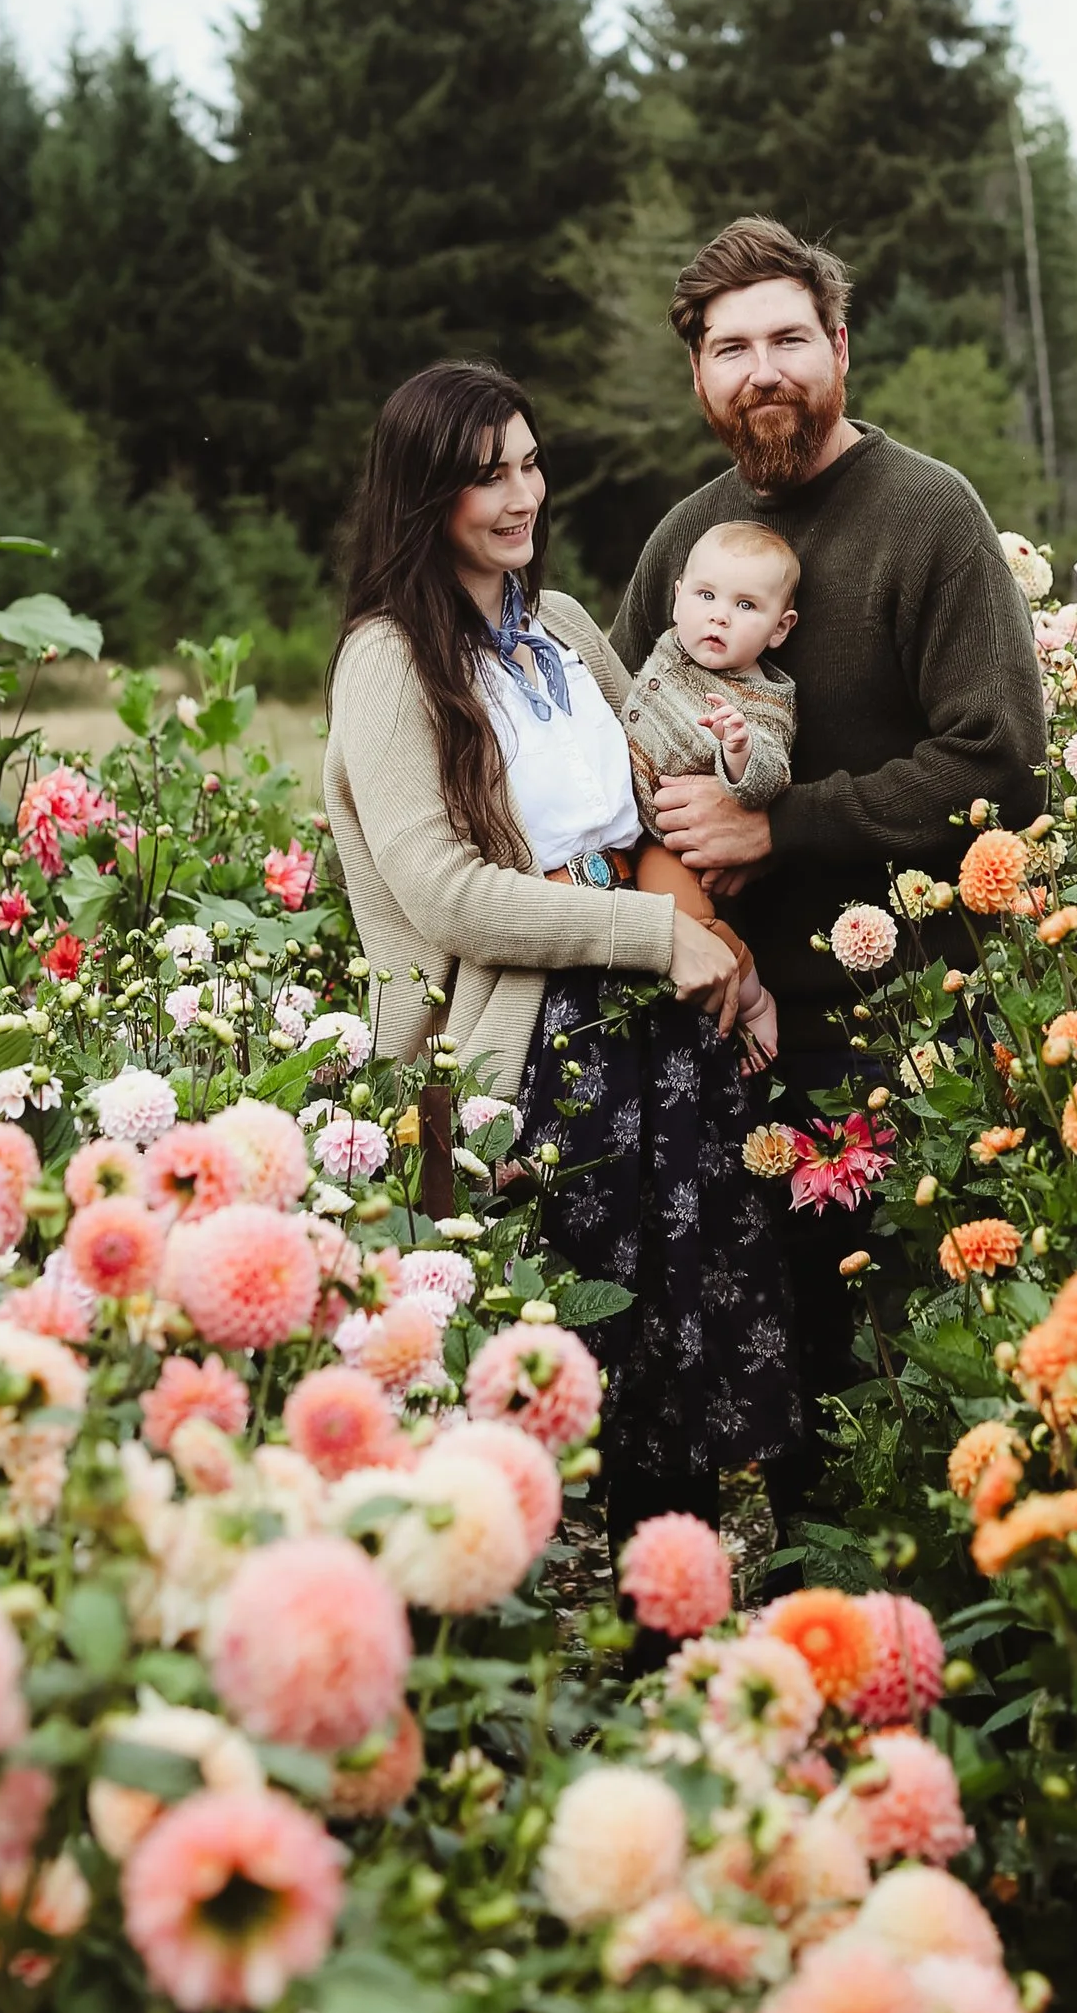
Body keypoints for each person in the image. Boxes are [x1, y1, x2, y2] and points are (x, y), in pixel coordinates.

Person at [322, 361, 798, 1545]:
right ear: (424, 494)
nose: (521, 494)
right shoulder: (392, 661)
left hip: (655, 1009)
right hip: (527, 1042)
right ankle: (517, 1661)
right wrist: (655, 932)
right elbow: (442, 895)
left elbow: (651, 806)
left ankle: (668, 1628)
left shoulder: (564, 626)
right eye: (488, 476)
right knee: (557, 1358)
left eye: (529, 462)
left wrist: (733, 954)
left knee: (679, 1337)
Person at [611, 217, 1047, 1458]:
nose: (764, 370)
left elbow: (1001, 762)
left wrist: (779, 826)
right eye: (731, 346)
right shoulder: (684, 547)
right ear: (697, 374)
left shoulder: (926, 518)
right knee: (764, 1387)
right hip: (722, 1032)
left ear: (840, 346)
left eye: (790, 338)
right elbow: (623, 763)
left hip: (905, 1035)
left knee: (908, 1373)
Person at [618, 518, 802, 1065]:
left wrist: (738, 748)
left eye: (747, 606)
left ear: (779, 628)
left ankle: (752, 1001)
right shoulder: (671, 646)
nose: (719, 614)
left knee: (684, 921)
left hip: (666, 842)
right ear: (677, 601)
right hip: (614, 825)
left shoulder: (764, 701)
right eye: (705, 596)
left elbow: (771, 776)